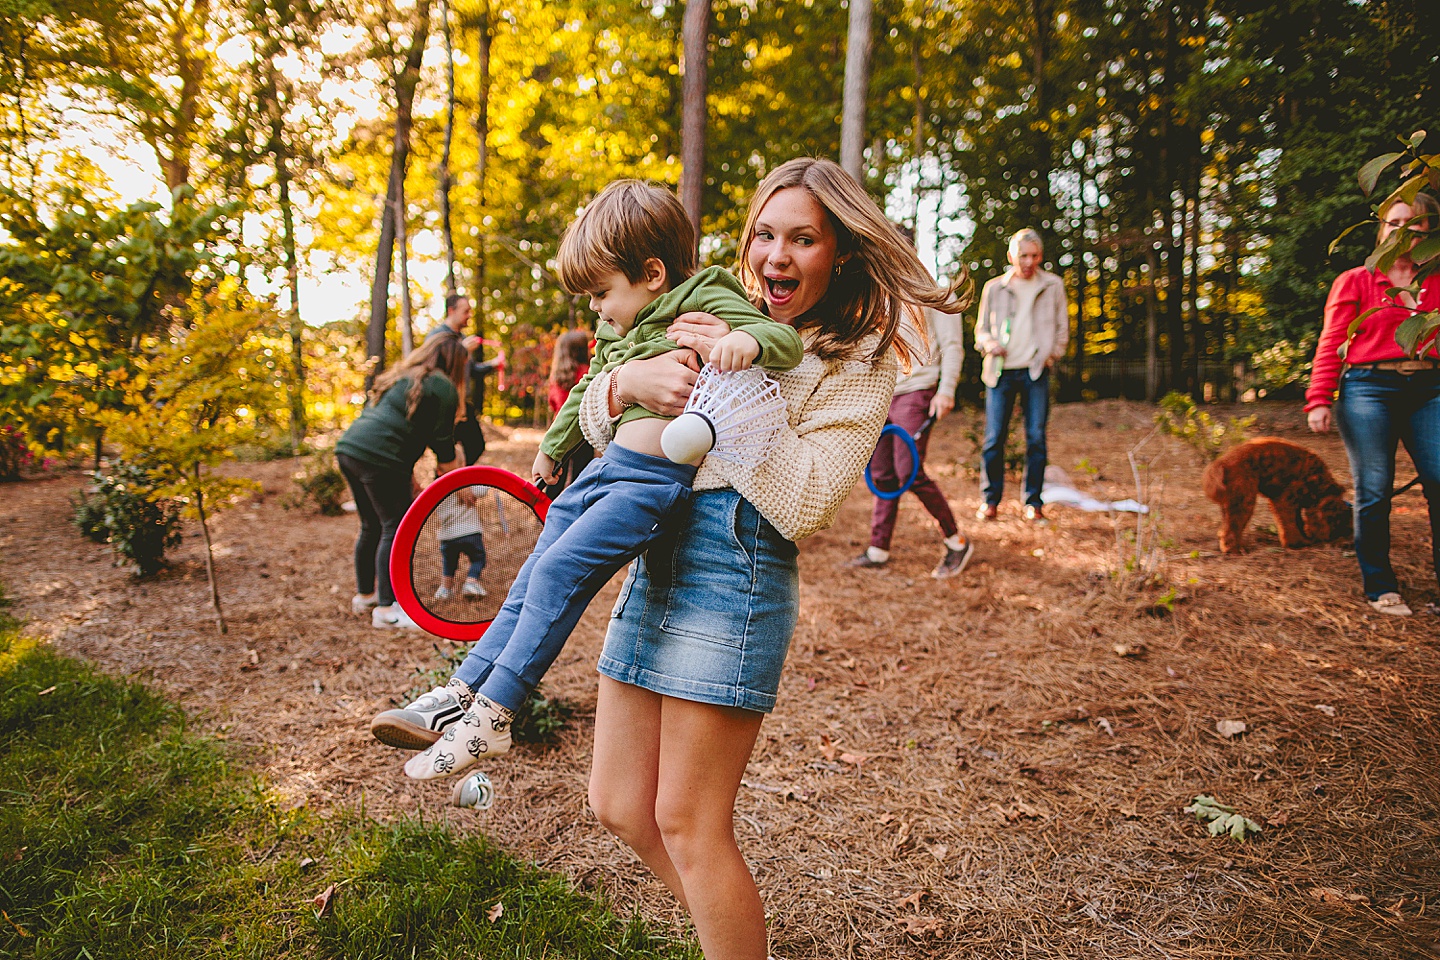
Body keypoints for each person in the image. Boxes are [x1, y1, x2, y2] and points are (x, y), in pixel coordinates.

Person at [371, 179, 805, 780]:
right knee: (530, 574)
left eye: (602, 292)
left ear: (652, 273)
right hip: (602, 471)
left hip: (651, 483)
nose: (595, 309)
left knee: (557, 572)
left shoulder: (708, 294)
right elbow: (588, 388)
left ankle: (496, 715)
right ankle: (461, 691)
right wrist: (553, 447)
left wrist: (740, 341)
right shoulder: (614, 331)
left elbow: (782, 341)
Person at [1305, 193, 1440, 617]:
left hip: (1431, 387)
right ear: (1382, 230)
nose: (1403, 230)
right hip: (1369, 387)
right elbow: (1332, 341)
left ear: (1428, 230)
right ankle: (1381, 586)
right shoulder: (1356, 280)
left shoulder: (1436, 279)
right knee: (1375, 489)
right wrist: (1319, 398)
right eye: (1394, 222)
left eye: (1414, 223)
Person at [336, 335, 468, 629]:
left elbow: (397, 431)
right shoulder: (443, 386)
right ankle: (387, 610)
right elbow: (443, 446)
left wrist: (410, 479)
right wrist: (460, 480)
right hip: (379, 458)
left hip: (350, 448)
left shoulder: (404, 376)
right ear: (455, 363)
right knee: (394, 527)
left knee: (371, 524)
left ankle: (366, 595)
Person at [848, 302, 973, 578]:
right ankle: (878, 549)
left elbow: (952, 345)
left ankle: (956, 541)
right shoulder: (880, 295)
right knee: (882, 474)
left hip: (917, 391)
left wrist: (947, 390)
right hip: (882, 392)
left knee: (910, 472)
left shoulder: (934, 294)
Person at [973, 227, 1069, 523]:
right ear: (1011, 256)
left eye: (1034, 255)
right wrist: (990, 345)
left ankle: (1033, 502)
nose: (1029, 261)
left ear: (1041, 256)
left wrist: (1051, 355)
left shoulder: (1053, 285)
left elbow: (1062, 330)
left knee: (1036, 438)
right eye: (1023, 255)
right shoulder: (994, 288)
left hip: (1035, 371)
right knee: (994, 439)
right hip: (1000, 373)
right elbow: (980, 332)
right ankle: (990, 501)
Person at [426, 293, 506, 465]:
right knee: (446, 451)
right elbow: (430, 370)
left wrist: (493, 364)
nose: (469, 315)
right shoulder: (437, 337)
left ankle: (457, 482)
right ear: (451, 311)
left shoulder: (462, 338)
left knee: (476, 445)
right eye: (466, 311)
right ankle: (444, 485)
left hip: (462, 403)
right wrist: (461, 350)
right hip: (444, 404)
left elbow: (472, 370)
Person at [544, 328, 595, 494]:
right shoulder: (587, 373)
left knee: (555, 478)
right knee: (579, 477)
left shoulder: (556, 377)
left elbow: (553, 403)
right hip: (582, 435)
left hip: (559, 431)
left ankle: (545, 513)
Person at [432, 487, 486, 600]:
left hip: (448, 536)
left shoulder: (437, 489)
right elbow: (482, 490)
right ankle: (471, 582)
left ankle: (445, 590)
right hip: (470, 533)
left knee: (449, 563)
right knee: (478, 559)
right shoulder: (465, 486)